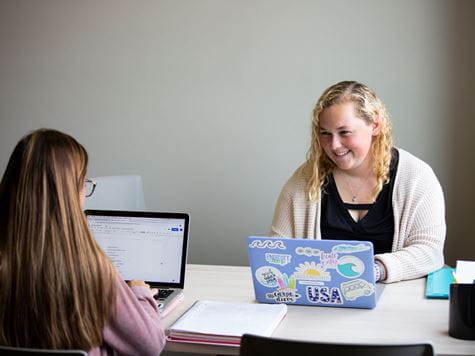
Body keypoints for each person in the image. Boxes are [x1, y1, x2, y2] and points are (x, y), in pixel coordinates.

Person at [0, 129, 165, 355]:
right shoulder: (93, 273)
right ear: (70, 194)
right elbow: (151, 345)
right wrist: (139, 293)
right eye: (84, 183)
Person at [271, 81, 446, 283]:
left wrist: (375, 270)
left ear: (375, 125)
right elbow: (277, 248)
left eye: (344, 132)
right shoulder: (304, 180)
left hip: (398, 304)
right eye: (325, 133)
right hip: (324, 307)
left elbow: (429, 252)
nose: (334, 145)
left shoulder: (416, 177)